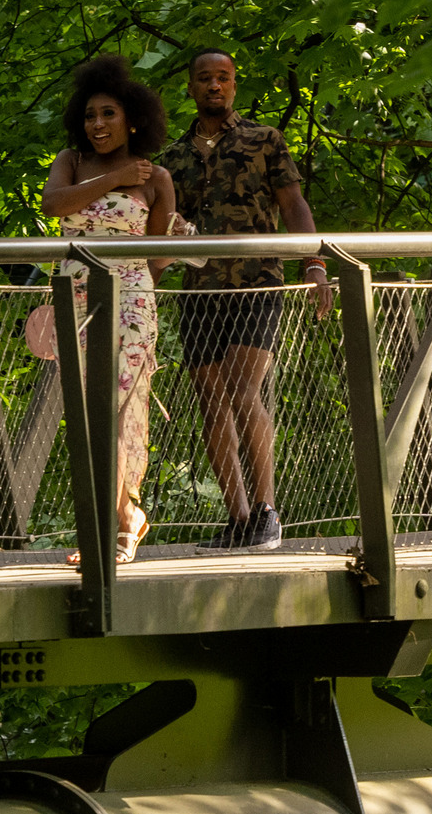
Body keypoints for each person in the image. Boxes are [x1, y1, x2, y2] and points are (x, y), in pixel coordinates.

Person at [169, 48, 326, 551]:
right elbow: (161, 227)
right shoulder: (171, 159)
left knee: (242, 390)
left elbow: (293, 203)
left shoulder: (265, 140)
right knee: (210, 398)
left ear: (235, 85)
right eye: (204, 78)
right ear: (191, 88)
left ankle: (266, 510)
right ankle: (237, 519)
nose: (215, 86)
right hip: (198, 290)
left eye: (224, 78)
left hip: (257, 282)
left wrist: (315, 264)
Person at [38, 55, 176, 565]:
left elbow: (158, 249)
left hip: (132, 300)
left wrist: (137, 290)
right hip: (74, 296)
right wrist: (115, 177)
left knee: (122, 413)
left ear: (132, 118)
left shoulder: (157, 177)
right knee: (88, 415)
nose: (98, 124)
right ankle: (126, 518)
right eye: (91, 115)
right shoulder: (71, 162)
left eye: (109, 115)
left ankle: (104, 527)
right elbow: (54, 204)